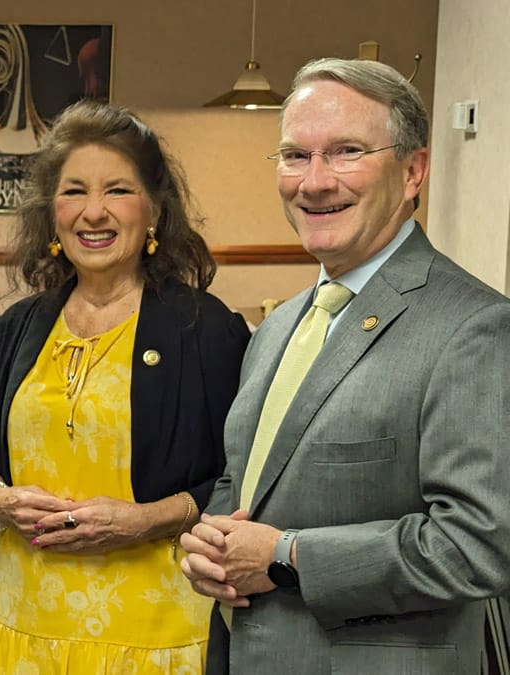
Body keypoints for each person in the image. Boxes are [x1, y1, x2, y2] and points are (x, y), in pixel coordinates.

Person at [180, 57, 510, 674]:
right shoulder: (279, 325)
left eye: (346, 151)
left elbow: (477, 545)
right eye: (294, 155)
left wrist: (286, 556)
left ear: (413, 170)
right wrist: (210, 544)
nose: (314, 181)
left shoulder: (475, 327)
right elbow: (245, 483)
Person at [0, 100, 251, 673]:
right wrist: (0, 499)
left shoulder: (206, 330)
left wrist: (146, 520)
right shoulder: (16, 329)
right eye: (74, 192)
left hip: (155, 639)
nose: (93, 212)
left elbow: (235, 480)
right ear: (51, 213)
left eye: (117, 190)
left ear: (154, 211)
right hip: (26, 633)